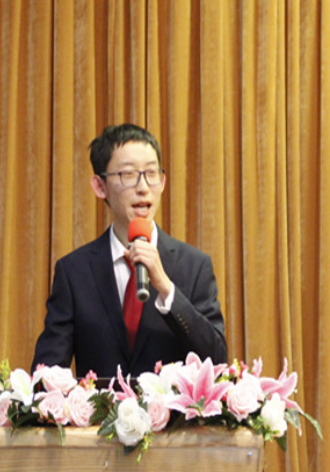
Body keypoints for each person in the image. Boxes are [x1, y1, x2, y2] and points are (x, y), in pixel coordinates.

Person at [31, 123, 227, 377]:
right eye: (128, 174)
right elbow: (46, 373)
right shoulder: (74, 272)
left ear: (163, 182)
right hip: (100, 405)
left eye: (151, 173)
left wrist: (167, 289)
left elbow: (217, 359)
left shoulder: (194, 266)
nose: (143, 187)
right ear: (100, 186)